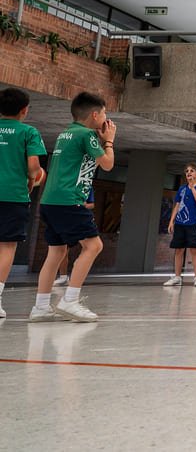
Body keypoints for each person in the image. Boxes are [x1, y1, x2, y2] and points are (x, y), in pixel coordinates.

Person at [30, 91, 115, 322]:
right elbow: (107, 164)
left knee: (56, 252)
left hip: (49, 201)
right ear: (95, 114)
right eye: (105, 113)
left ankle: (40, 306)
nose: (107, 118)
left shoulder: (65, 133)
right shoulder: (87, 134)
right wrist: (109, 141)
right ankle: (70, 300)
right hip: (70, 201)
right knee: (94, 246)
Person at [0, 88, 47, 319]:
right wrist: (32, 180)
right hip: (13, 196)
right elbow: (33, 168)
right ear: (24, 110)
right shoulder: (29, 132)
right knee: (7, 246)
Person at [164, 164, 196, 287]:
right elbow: (177, 204)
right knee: (178, 250)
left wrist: (193, 187)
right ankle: (177, 277)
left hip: (193, 222)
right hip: (180, 223)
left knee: (194, 250)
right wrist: (172, 221)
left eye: (192, 171)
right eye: (187, 171)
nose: (189, 173)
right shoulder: (182, 189)